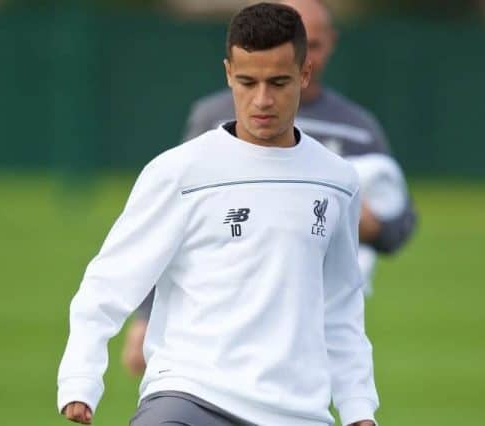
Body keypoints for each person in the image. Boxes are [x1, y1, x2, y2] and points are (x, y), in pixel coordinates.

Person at [57, 3, 378, 425]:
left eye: (278, 82)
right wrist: (81, 379)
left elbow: (340, 308)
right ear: (228, 73)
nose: (262, 99)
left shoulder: (338, 181)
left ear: (304, 74)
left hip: (297, 413)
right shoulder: (179, 171)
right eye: (247, 82)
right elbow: (109, 281)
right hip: (189, 398)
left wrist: (358, 409)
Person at [123, 0, 416, 378]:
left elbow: (401, 222)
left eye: (314, 44)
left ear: (327, 47)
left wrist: (369, 225)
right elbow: (172, 221)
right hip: (220, 319)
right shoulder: (215, 118)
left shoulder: (358, 128)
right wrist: (145, 318)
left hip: (311, 319)